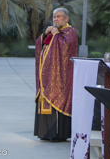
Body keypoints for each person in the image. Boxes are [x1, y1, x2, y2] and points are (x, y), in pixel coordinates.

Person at [34, 8, 78, 142]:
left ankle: (58, 134)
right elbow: (41, 45)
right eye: (54, 17)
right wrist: (44, 35)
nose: (55, 19)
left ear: (66, 19)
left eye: (59, 17)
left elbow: (66, 45)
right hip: (47, 76)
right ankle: (45, 133)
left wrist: (55, 34)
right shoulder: (55, 32)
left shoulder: (70, 32)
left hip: (60, 78)